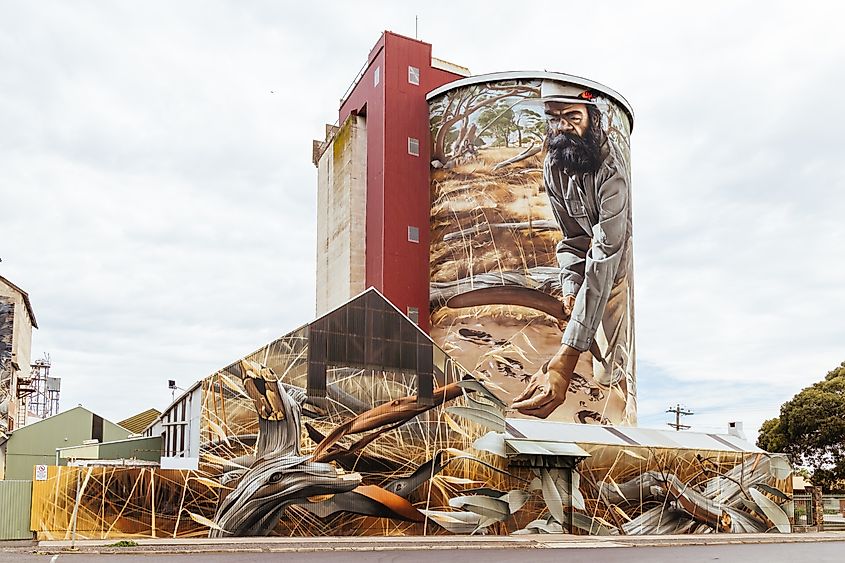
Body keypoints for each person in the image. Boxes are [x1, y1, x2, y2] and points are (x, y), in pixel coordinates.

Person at [512, 81, 634, 420]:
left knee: (609, 372)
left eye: (572, 116)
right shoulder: (555, 166)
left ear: (592, 118)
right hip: (591, 268)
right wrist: (570, 286)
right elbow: (573, 239)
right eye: (554, 119)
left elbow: (606, 254)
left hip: (615, 275)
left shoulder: (613, 172)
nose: (563, 126)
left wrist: (566, 358)